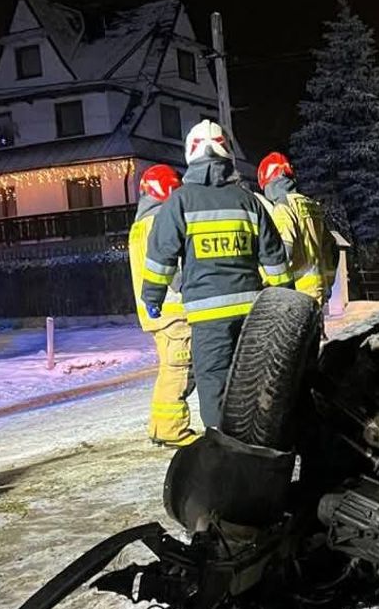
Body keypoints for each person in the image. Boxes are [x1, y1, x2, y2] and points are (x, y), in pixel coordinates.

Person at [142, 119, 288, 429]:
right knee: (251, 378)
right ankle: (258, 436)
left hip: (208, 317)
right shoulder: (249, 201)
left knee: (214, 381)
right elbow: (274, 257)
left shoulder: (179, 202)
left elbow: (161, 255)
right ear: (227, 155)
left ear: (190, 155)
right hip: (252, 313)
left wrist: (151, 296)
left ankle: (224, 447)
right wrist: (283, 294)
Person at [129, 164, 196, 447]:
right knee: (180, 369)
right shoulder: (160, 222)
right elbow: (170, 265)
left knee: (170, 368)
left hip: (157, 310)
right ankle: (173, 430)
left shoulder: (140, 224)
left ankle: (159, 426)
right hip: (174, 310)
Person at [255, 152, 338, 304]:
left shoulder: (283, 207)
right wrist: (328, 282)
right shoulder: (310, 204)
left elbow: (285, 251)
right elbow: (331, 248)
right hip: (317, 289)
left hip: (297, 293)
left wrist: (266, 278)